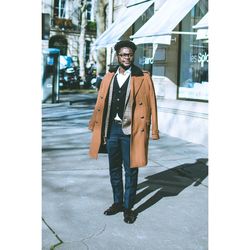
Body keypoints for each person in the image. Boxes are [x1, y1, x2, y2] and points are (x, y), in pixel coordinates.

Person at [88, 40, 159, 224]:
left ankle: (128, 208)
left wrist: (154, 130)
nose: (126, 58)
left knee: (131, 170)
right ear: (117, 56)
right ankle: (117, 202)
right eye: (122, 55)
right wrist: (93, 123)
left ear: (133, 55)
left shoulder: (143, 77)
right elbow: (100, 102)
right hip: (111, 129)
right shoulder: (109, 76)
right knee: (114, 168)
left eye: (129, 54)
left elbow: (152, 104)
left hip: (131, 130)